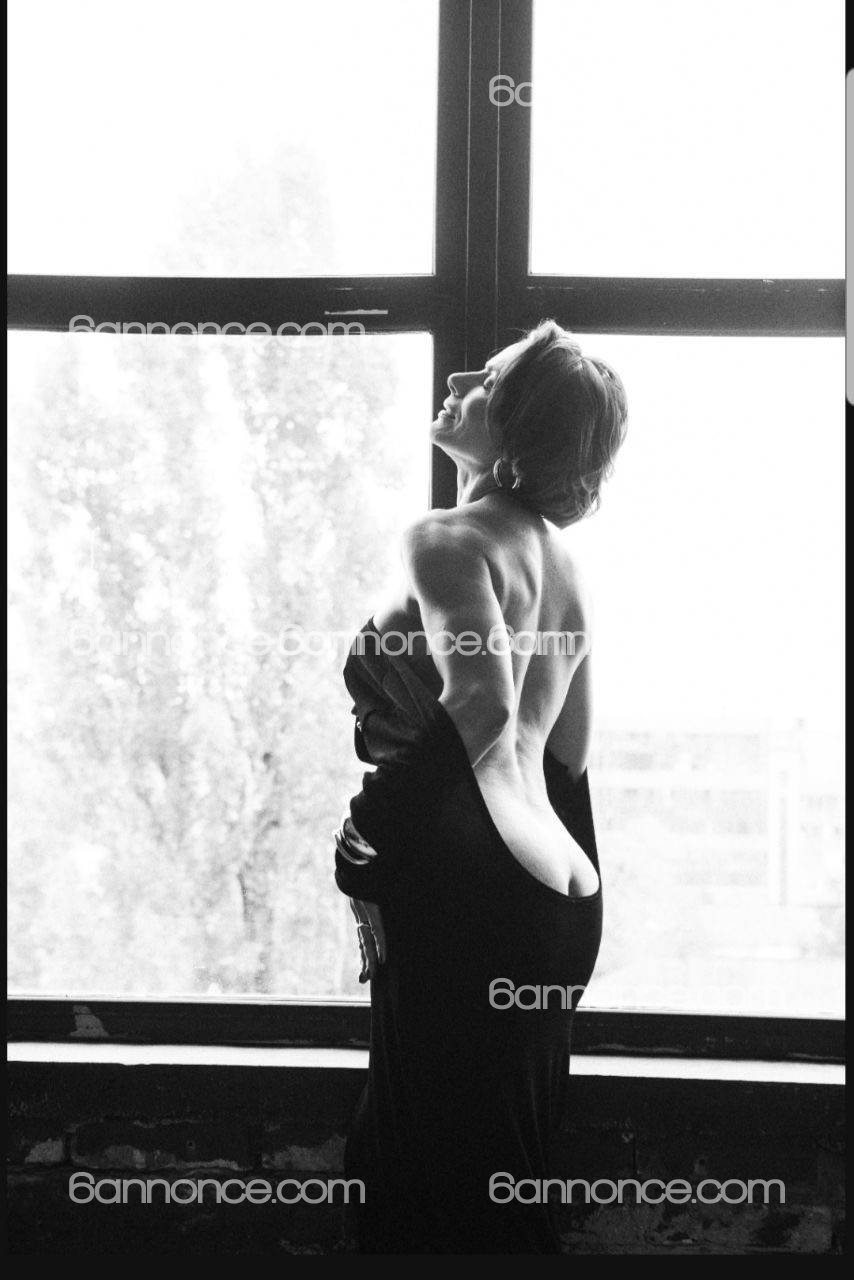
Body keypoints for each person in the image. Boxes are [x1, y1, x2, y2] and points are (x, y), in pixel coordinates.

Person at [334, 319, 628, 1254]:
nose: (461, 377)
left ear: (516, 435)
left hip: (469, 885)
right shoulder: (565, 568)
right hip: (560, 890)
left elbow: (482, 705)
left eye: (489, 380)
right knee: (504, 1184)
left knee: (411, 1177)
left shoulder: (445, 537)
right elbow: (569, 756)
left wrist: (366, 838)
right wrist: (564, 896)